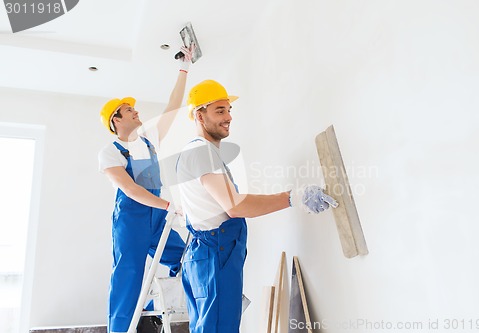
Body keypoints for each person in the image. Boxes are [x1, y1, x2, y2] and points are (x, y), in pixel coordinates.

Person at [176, 79, 338, 333]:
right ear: (199, 115)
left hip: (208, 254)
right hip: (213, 255)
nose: (228, 117)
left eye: (229, 110)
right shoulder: (201, 153)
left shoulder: (201, 153)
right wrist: (292, 198)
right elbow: (235, 207)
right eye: (220, 110)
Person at [98, 46, 194, 333]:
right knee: (128, 277)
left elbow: (173, 107)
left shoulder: (150, 139)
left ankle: (180, 312)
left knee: (186, 257)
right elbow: (128, 189)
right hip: (131, 219)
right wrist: (167, 206)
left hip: (156, 218)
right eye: (129, 109)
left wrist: (185, 68)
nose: (135, 110)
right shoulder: (111, 151)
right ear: (116, 119)